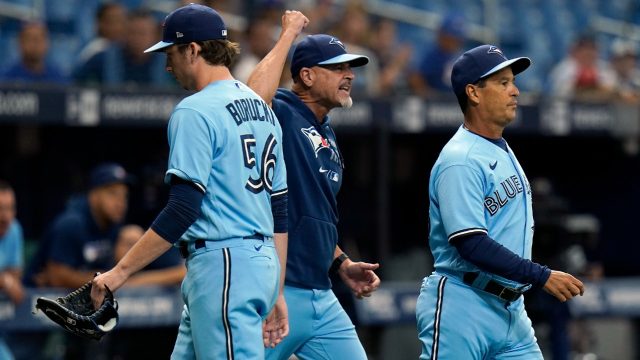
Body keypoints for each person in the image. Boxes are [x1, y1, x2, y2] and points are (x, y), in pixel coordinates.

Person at [90, 4, 289, 359]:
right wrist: (277, 288)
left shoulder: (194, 109)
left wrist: (119, 272)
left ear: (193, 50)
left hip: (224, 264)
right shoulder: (262, 108)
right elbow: (280, 207)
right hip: (259, 262)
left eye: (171, 54)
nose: (167, 66)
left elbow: (182, 208)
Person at [415, 44, 586, 359]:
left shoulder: (499, 148)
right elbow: (471, 243)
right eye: (503, 83)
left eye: (513, 82)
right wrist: (541, 275)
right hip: (464, 304)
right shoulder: (460, 158)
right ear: (474, 93)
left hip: (511, 308)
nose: (515, 91)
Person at [248, 10, 381, 359]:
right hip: (280, 292)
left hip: (322, 294)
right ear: (306, 75)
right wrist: (289, 34)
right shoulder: (285, 111)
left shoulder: (327, 132)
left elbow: (314, 214)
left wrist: (342, 263)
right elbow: (249, 99)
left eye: (350, 68)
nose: (349, 75)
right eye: (338, 68)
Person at [24, 162, 134, 289]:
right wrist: (108, 278)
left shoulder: (113, 222)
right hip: (38, 300)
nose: (120, 202)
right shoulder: (71, 223)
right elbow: (58, 278)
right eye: (112, 193)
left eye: (124, 196)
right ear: (93, 195)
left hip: (81, 298)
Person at [74, 8, 172, 87]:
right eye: (132, 32)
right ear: (124, 34)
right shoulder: (103, 58)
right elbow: (74, 84)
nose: (137, 38)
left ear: (155, 36)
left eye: (143, 33)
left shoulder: (171, 62)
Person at [408, 12, 466, 98]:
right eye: (450, 37)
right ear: (441, 35)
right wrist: (430, 96)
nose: (453, 42)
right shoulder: (431, 54)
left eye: (456, 38)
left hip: (455, 103)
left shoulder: (462, 56)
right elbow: (415, 78)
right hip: (434, 103)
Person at [0, 180, 25, 360]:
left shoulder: (14, 229)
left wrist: (8, 280)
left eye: (10, 208)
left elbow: (15, 275)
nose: (5, 216)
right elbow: (9, 280)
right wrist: (5, 281)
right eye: (0, 209)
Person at [0, 21, 68, 84]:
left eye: (39, 39)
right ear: (20, 43)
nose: (35, 44)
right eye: (30, 39)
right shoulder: (7, 79)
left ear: (47, 43)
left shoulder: (58, 78)